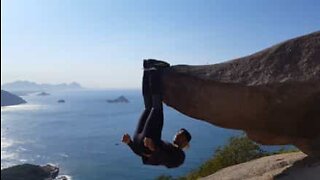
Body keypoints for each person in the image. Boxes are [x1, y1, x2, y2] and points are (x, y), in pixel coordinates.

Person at [121, 59, 192, 168]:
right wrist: (129, 143)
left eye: (180, 134)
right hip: (139, 142)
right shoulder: (168, 146)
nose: (177, 134)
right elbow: (142, 153)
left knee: (157, 108)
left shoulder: (180, 157)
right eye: (179, 132)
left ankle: (155, 70)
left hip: (143, 141)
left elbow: (167, 161)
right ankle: (147, 69)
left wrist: (154, 148)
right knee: (149, 108)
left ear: (185, 141)